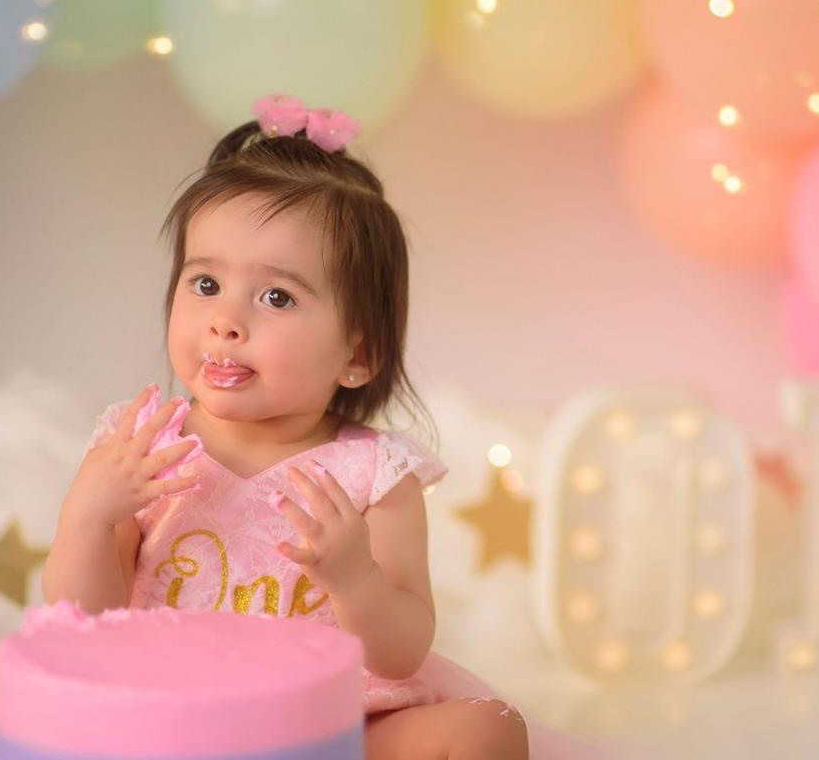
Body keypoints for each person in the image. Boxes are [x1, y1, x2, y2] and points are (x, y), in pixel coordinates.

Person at [38, 94, 538, 759]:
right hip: (168, 725)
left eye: (277, 296)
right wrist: (88, 519)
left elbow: (402, 650)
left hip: (332, 732)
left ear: (357, 353)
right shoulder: (142, 447)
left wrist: (355, 577)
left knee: (489, 727)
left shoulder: (374, 475)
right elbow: (85, 626)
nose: (226, 320)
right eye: (206, 283)